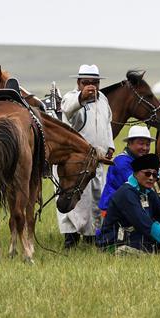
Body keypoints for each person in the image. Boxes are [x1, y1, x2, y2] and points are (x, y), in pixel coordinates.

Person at [57, 63, 115, 249]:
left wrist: (110, 146)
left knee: (97, 197)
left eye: (94, 82)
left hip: (98, 159)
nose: (91, 86)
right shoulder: (71, 98)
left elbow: (107, 124)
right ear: (79, 83)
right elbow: (69, 112)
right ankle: (71, 236)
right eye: (86, 82)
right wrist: (82, 98)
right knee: (76, 198)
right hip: (75, 161)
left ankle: (92, 235)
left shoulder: (103, 99)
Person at [96, 153, 160, 253]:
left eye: (155, 175)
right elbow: (141, 220)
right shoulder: (126, 192)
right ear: (135, 173)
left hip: (136, 235)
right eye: (147, 174)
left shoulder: (148, 192)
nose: (151, 178)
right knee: (151, 242)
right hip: (115, 241)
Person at [98, 125, 154, 224]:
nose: (145, 148)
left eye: (147, 144)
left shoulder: (137, 161)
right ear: (129, 143)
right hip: (113, 214)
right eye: (141, 144)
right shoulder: (122, 162)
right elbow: (138, 185)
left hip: (126, 209)